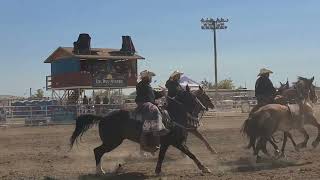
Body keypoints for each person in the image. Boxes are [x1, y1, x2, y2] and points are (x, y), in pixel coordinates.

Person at [135, 70, 169, 152]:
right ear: (146, 77)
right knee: (154, 110)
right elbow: (151, 95)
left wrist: (162, 92)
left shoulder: (146, 85)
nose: (151, 78)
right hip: (144, 104)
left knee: (160, 110)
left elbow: (154, 94)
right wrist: (162, 93)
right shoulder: (142, 85)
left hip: (146, 104)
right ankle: (157, 130)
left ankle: (157, 130)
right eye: (150, 77)